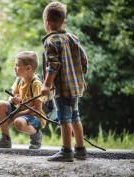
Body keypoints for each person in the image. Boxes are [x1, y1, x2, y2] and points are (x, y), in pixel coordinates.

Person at [41, 1, 88, 161]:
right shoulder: (72, 38)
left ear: (46, 21)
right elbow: (83, 60)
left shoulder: (51, 41)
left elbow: (53, 65)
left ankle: (66, 151)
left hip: (62, 89)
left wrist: (46, 85)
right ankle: (81, 149)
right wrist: (82, 79)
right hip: (75, 87)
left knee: (64, 119)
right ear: (63, 20)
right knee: (75, 117)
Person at [0, 51, 46, 149]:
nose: (15, 68)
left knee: (18, 123)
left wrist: (16, 115)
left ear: (28, 68)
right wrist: (14, 99)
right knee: (0, 105)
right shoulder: (19, 79)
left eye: (17, 65)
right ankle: (5, 139)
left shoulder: (36, 84)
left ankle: (36, 135)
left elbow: (37, 109)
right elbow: (12, 96)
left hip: (35, 116)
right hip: (20, 110)